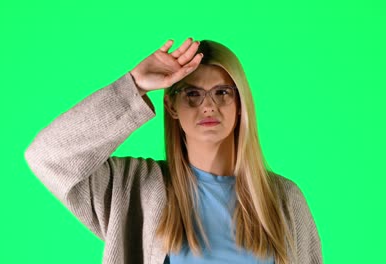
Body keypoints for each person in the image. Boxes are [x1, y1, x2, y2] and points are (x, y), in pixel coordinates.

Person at [24, 38, 322, 264]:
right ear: (172, 105)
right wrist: (133, 86)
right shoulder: (136, 188)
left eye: (222, 93)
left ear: (240, 103)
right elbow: (48, 155)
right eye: (192, 93)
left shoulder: (284, 199)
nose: (208, 105)